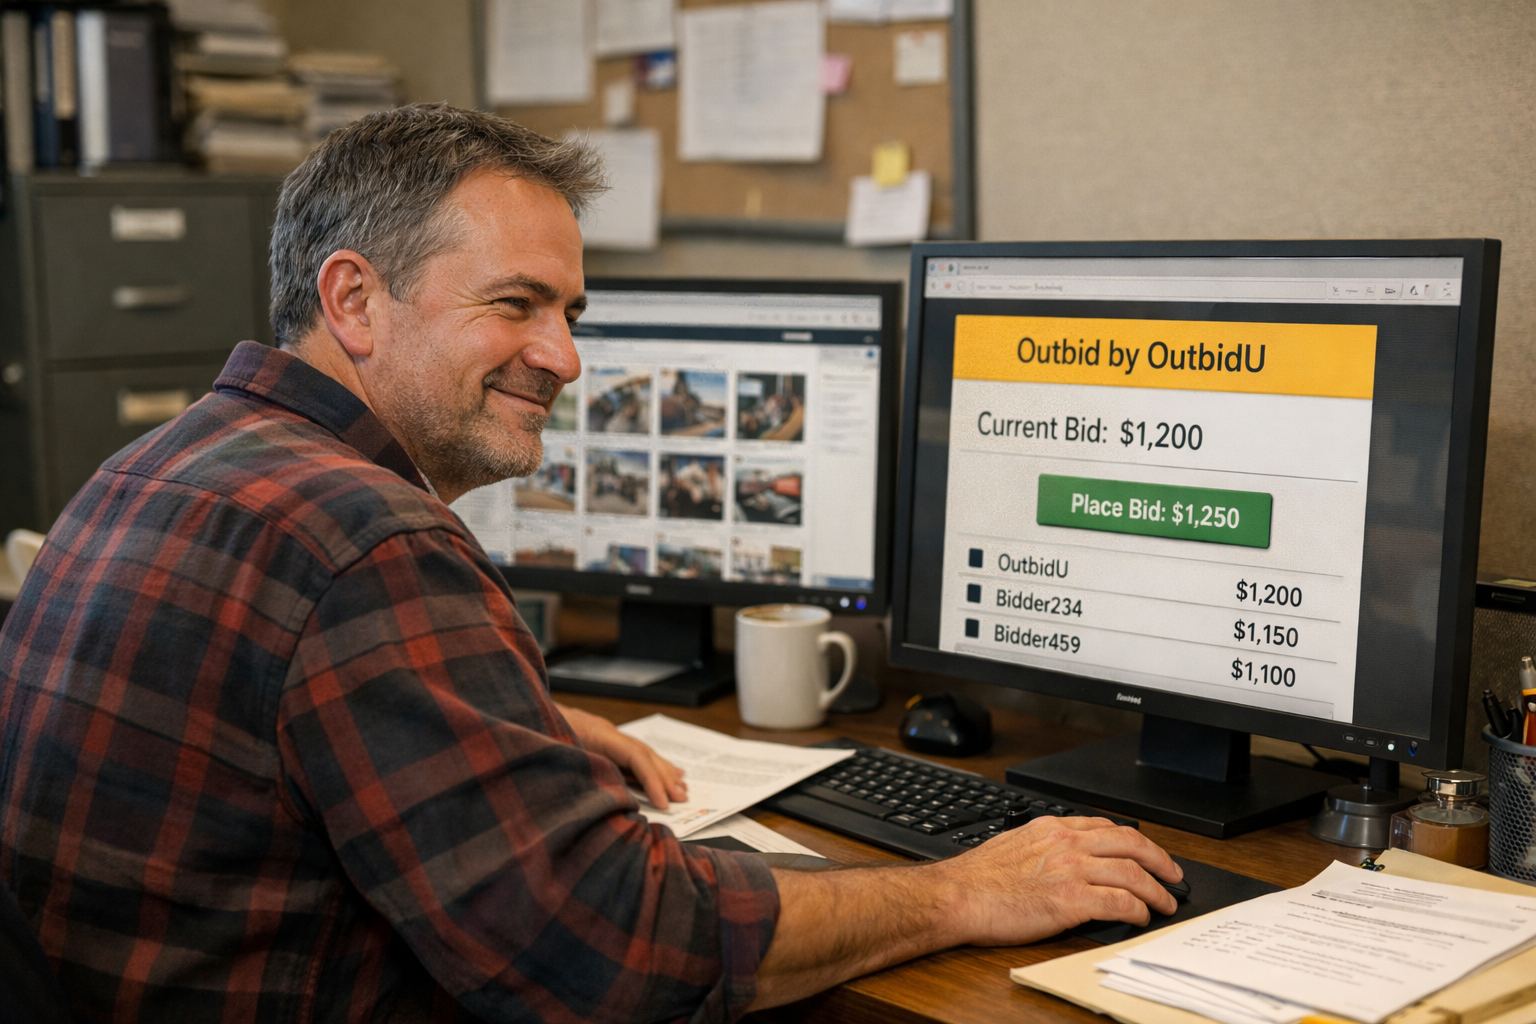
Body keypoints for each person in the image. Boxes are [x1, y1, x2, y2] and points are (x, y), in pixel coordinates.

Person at [0, 104, 1181, 1023]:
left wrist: (506, 725)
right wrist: (963, 887)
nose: (563, 357)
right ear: (353, 299)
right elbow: (611, 955)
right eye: (516, 304)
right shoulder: (373, 544)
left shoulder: (162, 461)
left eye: (571, 310)